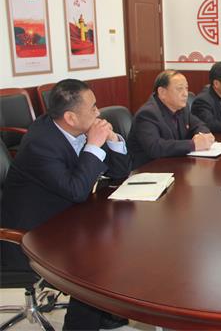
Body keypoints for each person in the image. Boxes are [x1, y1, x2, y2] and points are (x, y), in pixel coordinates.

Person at [0, 79, 130, 330]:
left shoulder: (74, 128)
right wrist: (93, 145)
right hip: (30, 234)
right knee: (92, 260)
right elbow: (76, 190)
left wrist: (112, 139)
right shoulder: (41, 144)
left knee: (117, 237)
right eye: (93, 108)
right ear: (70, 117)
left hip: (63, 217)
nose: (98, 113)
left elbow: (120, 172)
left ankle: (102, 311)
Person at [128, 70, 214, 169]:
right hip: (148, 169)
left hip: (174, 165)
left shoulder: (182, 108)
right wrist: (192, 144)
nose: (185, 94)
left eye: (186, 88)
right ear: (162, 92)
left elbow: (199, 125)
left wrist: (203, 136)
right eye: (179, 89)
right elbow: (155, 147)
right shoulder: (147, 114)